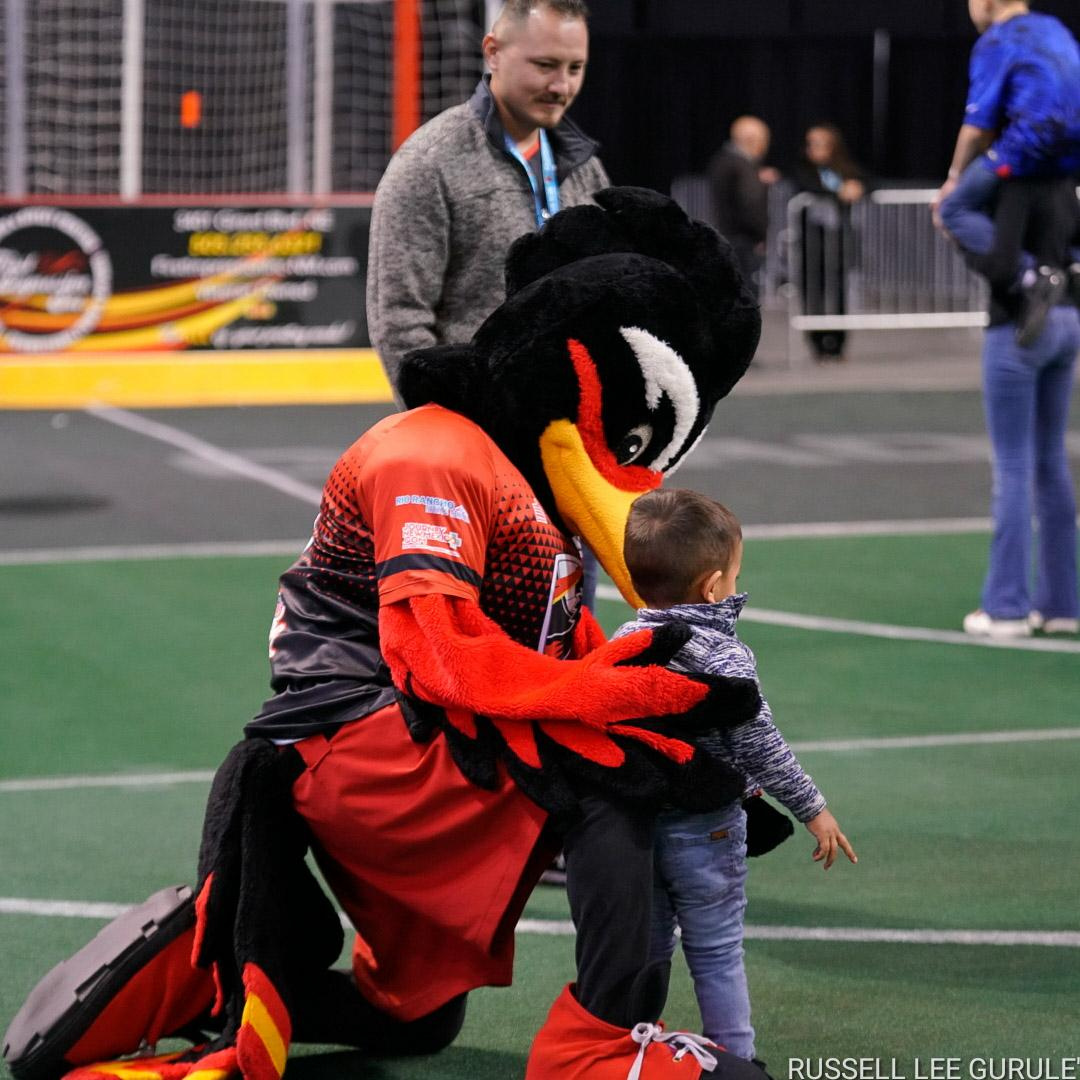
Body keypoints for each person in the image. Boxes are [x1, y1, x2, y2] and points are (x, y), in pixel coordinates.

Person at [615, 487, 857, 1059]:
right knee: (717, 952)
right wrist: (812, 808)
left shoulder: (622, 643)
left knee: (644, 950)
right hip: (708, 829)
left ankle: (628, 1055)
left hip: (640, 826)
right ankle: (738, 1062)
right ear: (711, 586)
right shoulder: (724, 656)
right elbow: (759, 744)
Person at [366, 0, 610, 392]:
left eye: (575, 68)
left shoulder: (586, 168)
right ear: (493, 52)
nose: (561, 86)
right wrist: (449, 422)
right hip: (475, 431)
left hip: (573, 426)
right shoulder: (428, 165)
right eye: (545, 65)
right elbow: (399, 320)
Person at [957, 176, 1080, 638]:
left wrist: (967, 244)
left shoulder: (1014, 180)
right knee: (1051, 462)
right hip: (1068, 318)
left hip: (1020, 327)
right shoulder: (1065, 180)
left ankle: (1006, 606)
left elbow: (1000, 260)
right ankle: (1062, 604)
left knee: (1013, 465)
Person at [932, 0, 1080, 346]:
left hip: (1026, 149)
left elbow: (977, 128)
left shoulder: (997, 40)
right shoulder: (1055, 29)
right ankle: (1072, 264)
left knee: (953, 208)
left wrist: (954, 177)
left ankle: (1032, 277)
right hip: (1070, 152)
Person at [791, 123, 867, 362]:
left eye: (822, 143)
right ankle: (818, 343)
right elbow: (806, 187)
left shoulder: (843, 168)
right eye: (812, 143)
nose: (816, 148)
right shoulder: (803, 169)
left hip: (839, 243)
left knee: (840, 292)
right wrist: (839, 193)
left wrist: (857, 187)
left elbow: (867, 180)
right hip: (813, 244)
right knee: (813, 292)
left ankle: (838, 342)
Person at [708, 116, 781, 300]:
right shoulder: (740, 165)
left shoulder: (724, 160)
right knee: (744, 295)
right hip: (742, 239)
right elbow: (750, 203)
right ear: (753, 140)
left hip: (729, 236)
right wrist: (760, 234)